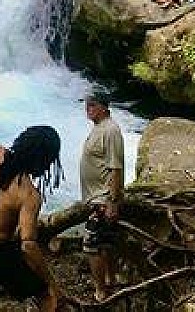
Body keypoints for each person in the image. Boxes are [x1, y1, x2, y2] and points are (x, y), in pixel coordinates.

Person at [0, 88, 62, 312]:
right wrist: (50, 281)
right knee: (46, 296)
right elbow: (27, 245)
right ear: (43, 161)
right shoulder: (29, 195)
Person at [79, 94, 125, 303]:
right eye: (87, 104)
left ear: (105, 108)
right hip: (97, 198)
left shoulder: (110, 130)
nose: (88, 108)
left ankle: (100, 290)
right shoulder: (99, 128)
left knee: (92, 244)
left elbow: (116, 168)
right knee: (106, 242)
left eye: (93, 104)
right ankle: (110, 280)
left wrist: (113, 202)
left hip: (104, 199)